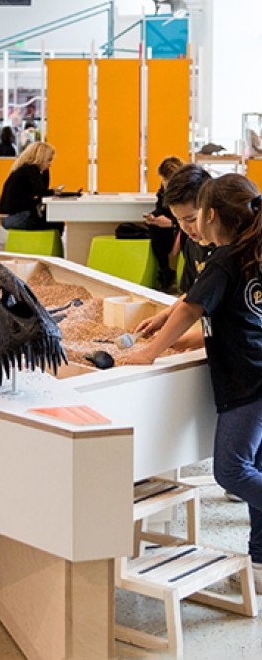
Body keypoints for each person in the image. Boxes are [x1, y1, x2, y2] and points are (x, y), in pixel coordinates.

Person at [118, 174, 262, 587]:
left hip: (245, 382)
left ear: (210, 214)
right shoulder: (252, 250)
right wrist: (174, 329)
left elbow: (190, 310)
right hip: (254, 370)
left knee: (232, 471)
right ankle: (259, 564)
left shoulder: (224, 258)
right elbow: (218, 309)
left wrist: (149, 352)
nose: (192, 225)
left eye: (194, 216)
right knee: (254, 467)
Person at [136, 163, 214, 339]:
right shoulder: (192, 243)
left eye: (191, 219)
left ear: (211, 211)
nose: (186, 227)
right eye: (179, 220)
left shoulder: (227, 250)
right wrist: (164, 315)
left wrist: (158, 347)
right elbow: (193, 293)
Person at [0, 141, 63, 232]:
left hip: (10, 217)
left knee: (50, 220)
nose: (50, 164)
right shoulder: (32, 170)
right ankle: (50, 245)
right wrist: (53, 191)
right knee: (57, 222)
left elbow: (42, 190)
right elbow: (42, 193)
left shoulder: (24, 170)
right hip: (15, 217)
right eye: (49, 160)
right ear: (41, 158)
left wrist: (45, 171)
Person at [144, 156, 184, 291]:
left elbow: (192, 218)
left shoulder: (188, 190)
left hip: (182, 224)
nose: (163, 183)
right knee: (154, 228)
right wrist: (154, 216)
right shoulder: (164, 187)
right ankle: (165, 271)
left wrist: (172, 224)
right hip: (171, 222)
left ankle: (169, 273)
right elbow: (160, 207)